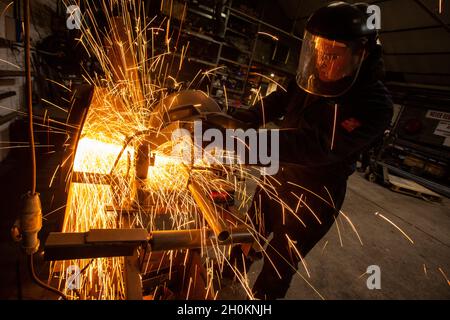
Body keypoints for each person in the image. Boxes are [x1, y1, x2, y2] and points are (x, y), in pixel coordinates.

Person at [229, 2, 394, 299]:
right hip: (275, 178)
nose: (321, 60)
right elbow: (280, 99)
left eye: (332, 54)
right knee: (245, 235)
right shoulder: (312, 78)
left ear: (361, 54)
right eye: (318, 50)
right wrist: (240, 119)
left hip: (314, 199)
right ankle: (228, 275)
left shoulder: (375, 104)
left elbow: (316, 146)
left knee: (278, 265)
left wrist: (240, 146)